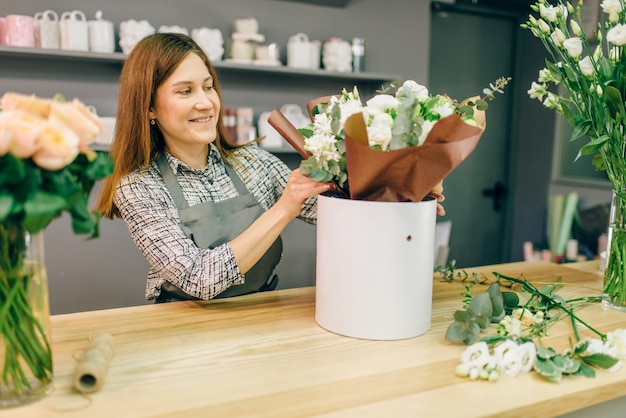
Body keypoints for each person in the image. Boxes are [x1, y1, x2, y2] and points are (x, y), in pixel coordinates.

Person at [96, 32, 333, 302]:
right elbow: (198, 279)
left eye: (208, 87)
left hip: (260, 313)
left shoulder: (254, 162)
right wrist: (283, 209)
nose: (206, 103)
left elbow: (330, 211)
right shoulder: (139, 186)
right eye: (186, 91)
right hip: (182, 326)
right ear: (149, 107)